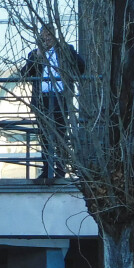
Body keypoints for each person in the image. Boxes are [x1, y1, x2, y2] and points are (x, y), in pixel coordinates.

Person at [20, 24, 85, 182]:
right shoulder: (35, 54)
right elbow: (25, 74)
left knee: (60, 134)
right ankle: (46, 170)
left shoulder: (66, 50)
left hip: (60, 98)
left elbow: (81, 67)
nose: (46, 38)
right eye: (44, 36)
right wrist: (37, 57)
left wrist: (65, 53)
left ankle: (60, 170)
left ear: (55, 36)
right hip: (42, 99)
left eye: (49, 35)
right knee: (44, 136)